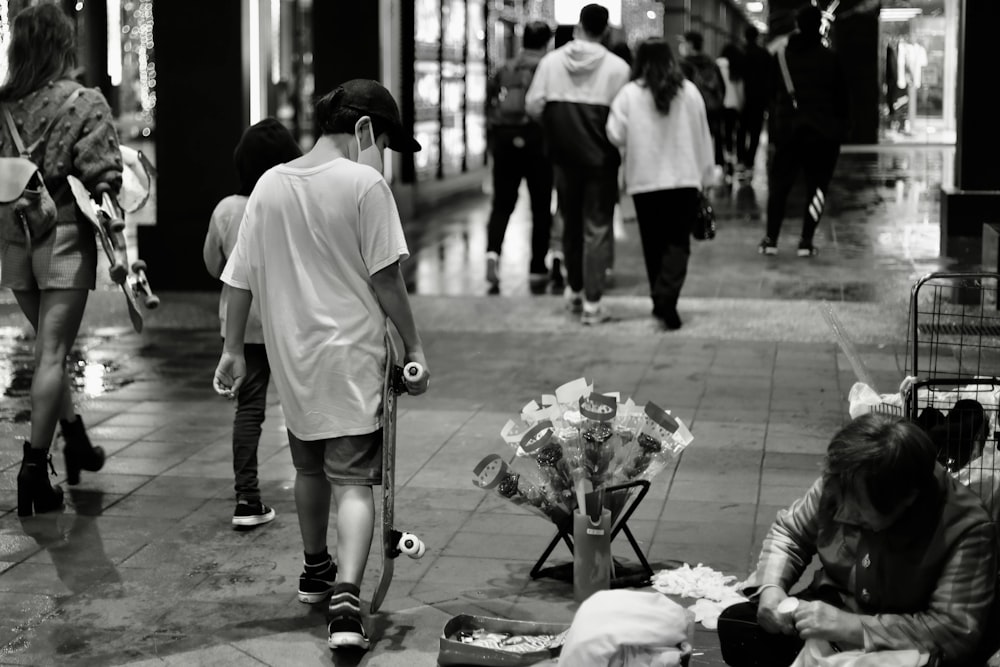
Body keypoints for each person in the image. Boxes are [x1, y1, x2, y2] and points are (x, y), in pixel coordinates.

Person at [212, 79, 430, 651]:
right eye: (383, 140)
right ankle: (348, 605)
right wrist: (415, 346)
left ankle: (316, 571)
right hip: (352, 357)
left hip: (292, 358)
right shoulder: (365, 184)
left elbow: (237, 277)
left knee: (309, 470)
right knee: (354, 483)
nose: (381, 152)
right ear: (364, 130)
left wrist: (233, 350)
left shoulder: (269, 185)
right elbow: (386, 277)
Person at [717, 412, 999, 667]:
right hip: (836, 605)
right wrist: (771, 589)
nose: (844, 513)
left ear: (906, 501)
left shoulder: (967, 529)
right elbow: (790, 533)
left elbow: (952, 632)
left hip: (903, 638)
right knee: (738, 627)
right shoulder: (843, 481)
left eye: (861, 513)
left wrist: (852, 627)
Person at [0, 4, 124, 517]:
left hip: (12, 240)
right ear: (62, 44)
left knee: (48, 349)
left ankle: (73, 437)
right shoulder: (83, 100)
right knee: (51, 355)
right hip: (64, 236)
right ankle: (33, 471)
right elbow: (103, 175)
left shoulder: (3, 105)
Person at [203, 118, 302, 529]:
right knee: (303, 406)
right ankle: (320, 481)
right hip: (288, 324)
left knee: (249, 411)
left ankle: (247, 498)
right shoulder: (290, 206)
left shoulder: (226, 209)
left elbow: (212, 266)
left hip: (242, 331)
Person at [525, 3, 629, 325]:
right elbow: (623, 119)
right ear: (606, 30)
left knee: (569, 220)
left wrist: (556, 128)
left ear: (579, 26)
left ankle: (574, 291)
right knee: (597, 227)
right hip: (601, 158)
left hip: (563, 156)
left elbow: (533, 106)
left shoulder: (551, 62)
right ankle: (593, 305)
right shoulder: (617, 68)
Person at [606, 39, 714, 331]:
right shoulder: (689, 92)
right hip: (684, 179)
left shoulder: (629, 94)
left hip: (644, 181)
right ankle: (667, 299)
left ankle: (660, 299)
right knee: (678, 243)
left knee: (653, 244)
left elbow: (614, 133)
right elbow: (704, 134)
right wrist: (707, 176)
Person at [758, 5, 848, 257]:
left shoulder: (782, 57)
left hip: (789, 133)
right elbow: (842, 100)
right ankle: (806, 241)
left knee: (779, 187)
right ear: (819, 25)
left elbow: (771, 97)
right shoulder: (830, 58)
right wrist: (839, 131)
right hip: (822, 136)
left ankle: (771, 239)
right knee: (817, 189)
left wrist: (775, 132)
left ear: (797, 25)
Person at [484, 20, 553, 295]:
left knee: (502, 203)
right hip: (538, 140)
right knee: (540, 206)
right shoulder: (548, 67)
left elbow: (489, 101)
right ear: (546, 41)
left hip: (505, 139)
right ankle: (537, 267)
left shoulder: (505, 67)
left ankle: (492, 253)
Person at [678, 31, 726, 173]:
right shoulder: (711, 62)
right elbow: (722, 88)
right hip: (712, 109)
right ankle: (715, 168)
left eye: (684, 42)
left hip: (691, 112)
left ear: (690, 44)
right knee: (711, 140)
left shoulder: (683, 65)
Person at [738, 25, 770, 181]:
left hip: (742, 99)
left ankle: (741, 160)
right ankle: (750, 161)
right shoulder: (764, 54)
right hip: (759, 99)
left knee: (741, 130)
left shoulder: (741, 54)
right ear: (757, 37)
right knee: (755, 131)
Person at [717, 40, 745, 183]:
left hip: (721, 104)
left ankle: (726, 160)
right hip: (734, 104)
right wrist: (741, 105)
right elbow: (740, 88)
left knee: (723, 134)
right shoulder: (737, 64)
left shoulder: (718, 64)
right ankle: (736, 161)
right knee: (735, 133)